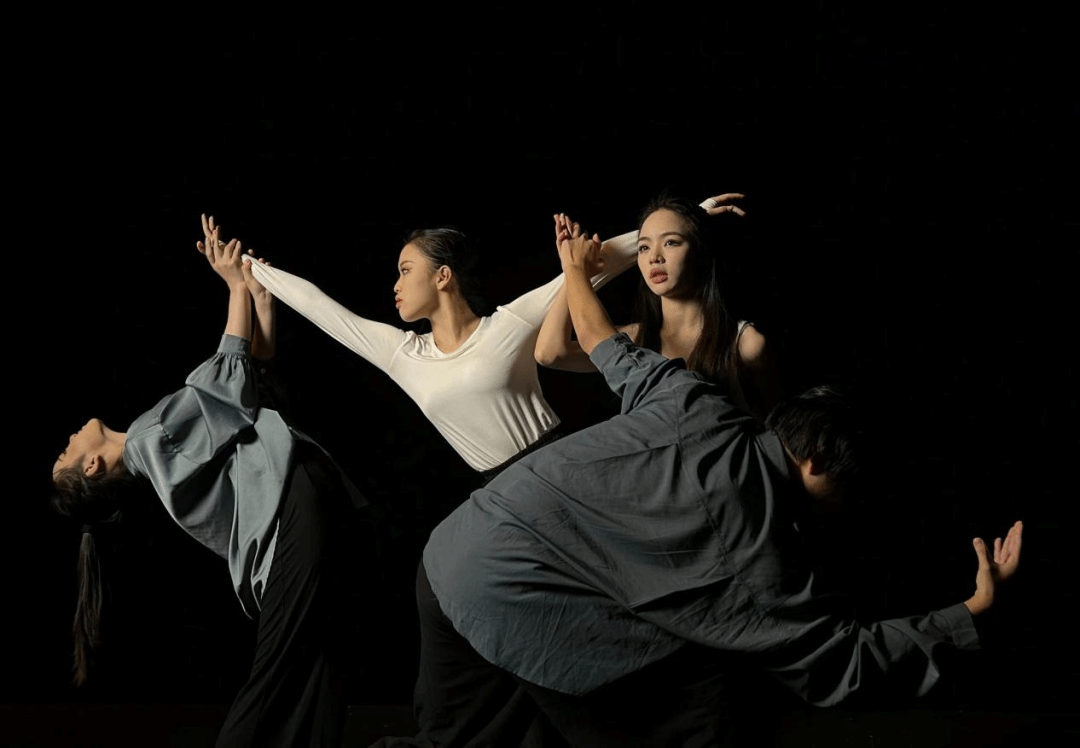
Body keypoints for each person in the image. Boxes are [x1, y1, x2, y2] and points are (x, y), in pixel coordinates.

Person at [373, 230, 1023, 747]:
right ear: (819, 460)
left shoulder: (688, 395)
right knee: (703, 703)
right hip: (507, 590)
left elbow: (601, 342)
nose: (843, 505)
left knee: (454, 740)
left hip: (446, 556)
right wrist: (970, 611)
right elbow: (842, 661)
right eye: (847, 488)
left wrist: (574, 270)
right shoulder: (757, 555)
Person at [50, 215, 369, 747]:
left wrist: (259, 301)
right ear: (90, 468)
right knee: (286, 676)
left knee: (315, 669)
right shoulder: (147, 443)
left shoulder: (150, 443)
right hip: (295, 511)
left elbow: (249, 386)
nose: (66, 440)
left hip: (303, 495)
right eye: (65, 454)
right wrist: (235, 286)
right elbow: (225, 386)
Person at [243, 224, 639, 480]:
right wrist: (249, 268)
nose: (395, 285)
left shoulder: (507, 325)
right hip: (500, 489)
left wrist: (664, 230)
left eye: (405, 270)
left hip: (561, 464)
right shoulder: (402, 354)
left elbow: (592, 268)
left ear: (443, 276)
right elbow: (320, 308)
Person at [535, 192, 781, 421]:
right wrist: (574, 268)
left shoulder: (744, 343)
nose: (654, 257)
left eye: (671, 242)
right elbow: (550, 352)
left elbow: (774, 425)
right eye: (643, 247)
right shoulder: (635, 340)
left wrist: (575, 267)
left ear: (701, 252)